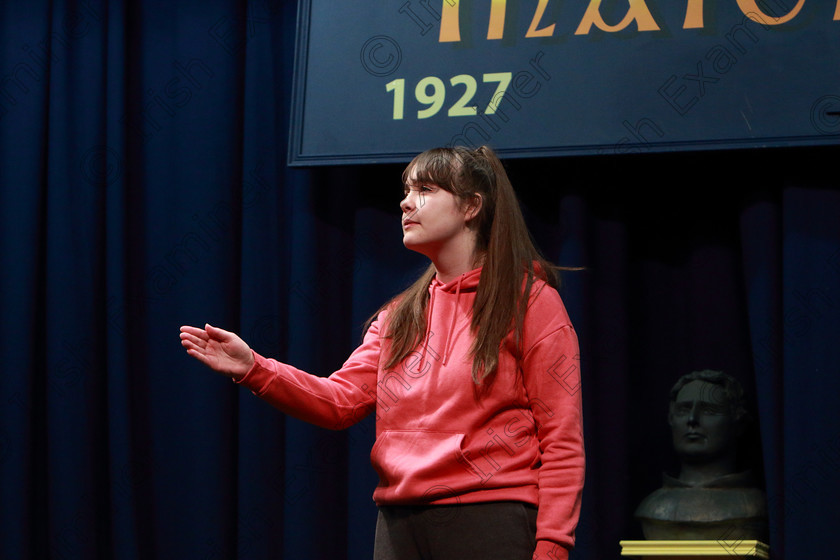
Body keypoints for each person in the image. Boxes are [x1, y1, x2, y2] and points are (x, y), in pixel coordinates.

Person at [180, 146, 585, 560]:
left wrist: (552, 546)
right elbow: (339, 401)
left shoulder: (530, 302)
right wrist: (253, 368)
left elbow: (562, 439)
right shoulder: (398, 316)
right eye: (406, 190)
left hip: (490, 517)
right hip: (398, 523)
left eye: (425, 189)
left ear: (472, 206)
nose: (406, 202)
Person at [635, 370, 767, 541]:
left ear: (738, 423)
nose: (692, 419)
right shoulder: (654, 507)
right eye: (683, 410)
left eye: (709, 411)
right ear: (671, 419)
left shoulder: (754, 506)